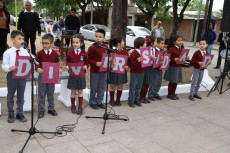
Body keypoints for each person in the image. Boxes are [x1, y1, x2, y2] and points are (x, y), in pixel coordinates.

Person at [2, 30, 29, 123]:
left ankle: (19, 113)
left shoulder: (25, 51)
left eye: (23, 39)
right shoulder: (8, 52)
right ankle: (10, 113)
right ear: (12, 40)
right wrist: (10, 67)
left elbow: (28, 62)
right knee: (10, 95)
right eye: (19, 39)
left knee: (21, 95)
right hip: (12, 75)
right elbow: (4, 65)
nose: (21, 40)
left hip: (22, 76)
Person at [35, 33, 62, 118]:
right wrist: (37, 68)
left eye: (46, 43)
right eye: (43, 43)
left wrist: (59, 69)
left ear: (51, 44)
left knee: (50, 93)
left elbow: (57, 63)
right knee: (41, 94)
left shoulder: (55, 54)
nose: (44, 45)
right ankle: (41, 110)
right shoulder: (39, 53)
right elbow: (36, 64)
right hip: (42, 75)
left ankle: (51, 108)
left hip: (51, 76)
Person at [66, 34, 88, 114]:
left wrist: (86, 66)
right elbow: (67, 61)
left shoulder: (84, 53)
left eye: (77, 42)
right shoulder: (70, 52)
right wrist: (67, 66)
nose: (75, 44)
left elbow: (87, 62)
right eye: (73, 42)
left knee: (80, 91)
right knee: (73, 91)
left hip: (81, 75)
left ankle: (80, 106)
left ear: (81, 43)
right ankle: (73, 105)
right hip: (72, 75)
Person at [164, 35, 189, 100]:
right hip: (173, 67)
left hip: (179, 66)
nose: (180, 42)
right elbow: (167, 58)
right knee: (172, 81)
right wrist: (173, 59)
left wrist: (186, 57)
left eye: (181, 40)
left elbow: (182, 57)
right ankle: (170, 94)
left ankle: (173, 93)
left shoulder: (182, 49)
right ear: (174, 42)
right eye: (179, 40)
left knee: (176, 81)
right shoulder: (171, 49)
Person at [87, 29, 108, 110]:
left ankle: (99, 101)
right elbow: (88, 59)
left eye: (100, 37)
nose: (98, 38)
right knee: (94, 87)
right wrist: (95, 63)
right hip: (94, 71)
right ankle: (92, 102)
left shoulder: (106, 47)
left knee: (102, 87)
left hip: (103, 71)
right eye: (96, 36)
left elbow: (108, 58)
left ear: (104, 39)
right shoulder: (92, 48)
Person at [108, 36, 129, 106]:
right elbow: (107, 60)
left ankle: (118, 99)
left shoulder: (125, 52)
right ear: (118, 43)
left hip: (121, 71)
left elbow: (128, 61)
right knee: (112, 85)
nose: (124, 42)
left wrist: (127, 66)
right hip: (113, 71)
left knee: (120, 85)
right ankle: (112, 99)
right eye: (123, 41)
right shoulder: (111, 51)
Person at [128, 37, 146, 107]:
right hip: (134, 72)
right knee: (133, 87)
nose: (145, 44)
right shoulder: (134, 53)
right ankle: (131, 100)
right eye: (144, 43)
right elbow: (132, 64)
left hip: (142, 71)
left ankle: (137, 99)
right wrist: (137, 61)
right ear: (140, 45)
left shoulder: (144, 52)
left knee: (139, 87)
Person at [139, 36, 157, 103]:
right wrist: (150, 56)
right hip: (147, 67)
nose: (156, 43)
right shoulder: (147, 49)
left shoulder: (154, 49)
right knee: (145, 82)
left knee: (148, 82)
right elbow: (144, 55)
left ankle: (144, 96)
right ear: (151, 43)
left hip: (151, 66)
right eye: (155, 42)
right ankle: (141, 96)